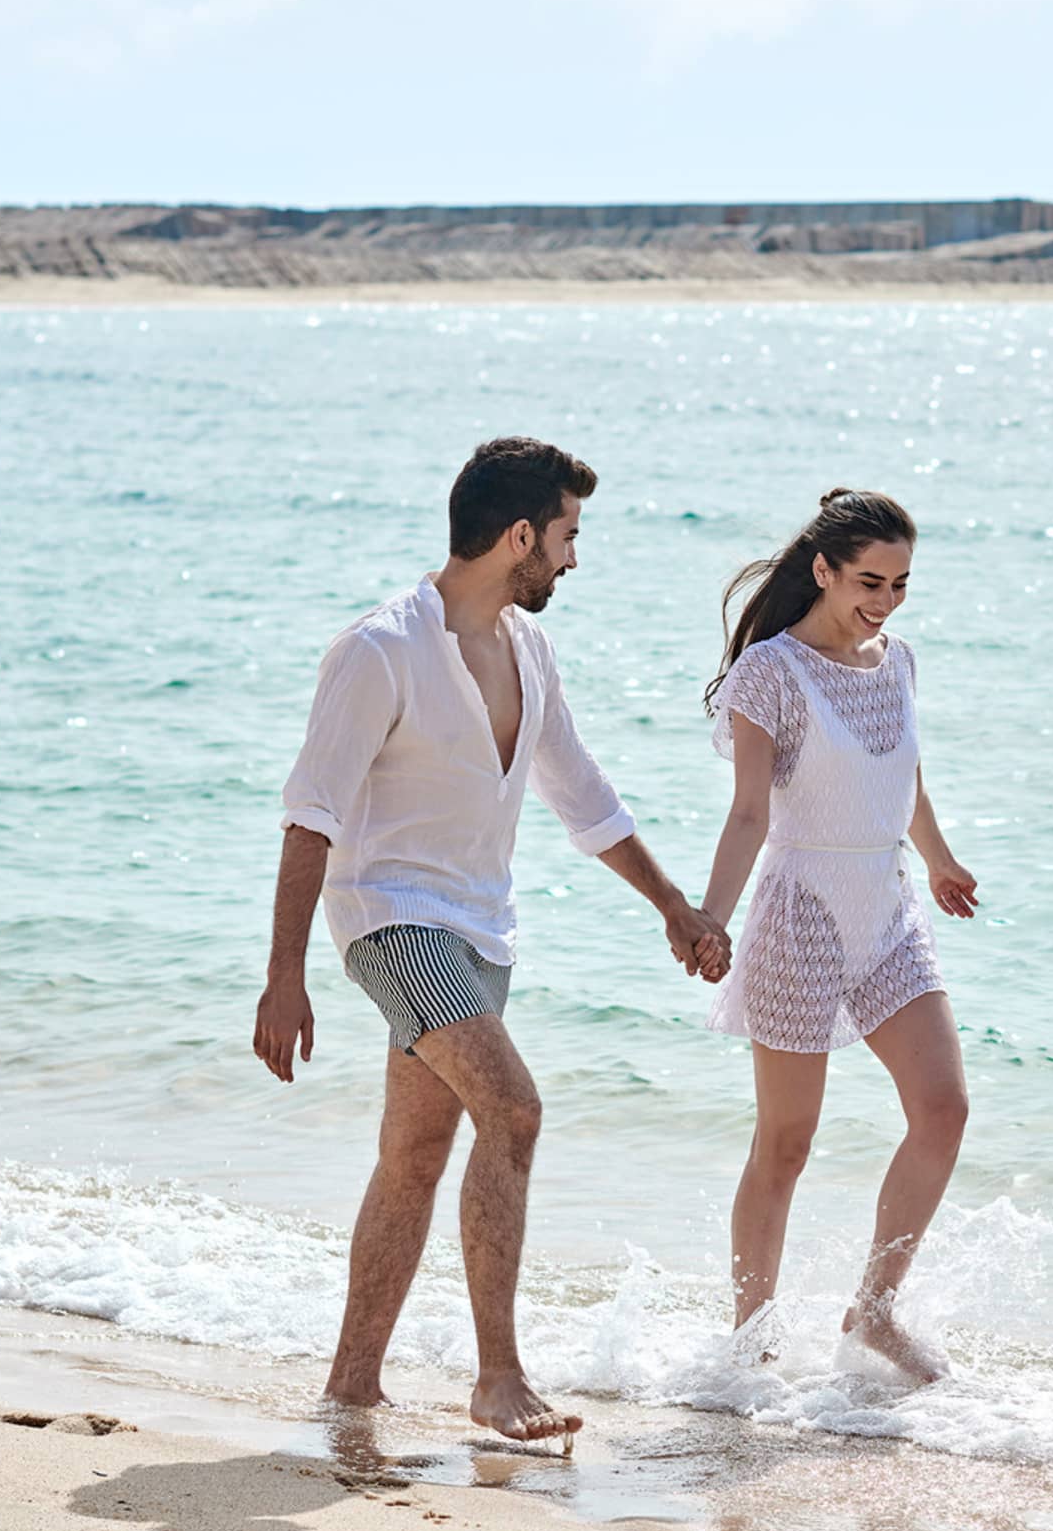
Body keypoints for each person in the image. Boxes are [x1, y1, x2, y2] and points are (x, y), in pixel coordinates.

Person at [253, 437, 729, 1443]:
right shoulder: (380, 650)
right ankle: (498, 1376)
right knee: (512, 1110)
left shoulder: (527, 650)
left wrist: (675, 907)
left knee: (415, 1154)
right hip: (390, 917)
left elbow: (583, 796)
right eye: (565, 536)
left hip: (481, 932)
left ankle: (352, 1382)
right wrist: (283, 974)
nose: (571, 559)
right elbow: (312, 813)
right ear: (520, 535)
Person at [698, 489, 977, 1383]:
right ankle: (752, 1339)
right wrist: (708, 915)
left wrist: (937, 859)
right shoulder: (770, 674)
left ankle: (876, 1311)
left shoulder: (898, 661)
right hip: (800, 908)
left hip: (888, 905)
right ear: (822, 569)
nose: (885, 600)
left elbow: (908, 781)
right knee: (787, 1139)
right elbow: (747, 812)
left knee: (944, 1109)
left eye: (899, 583)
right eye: (868, 580)